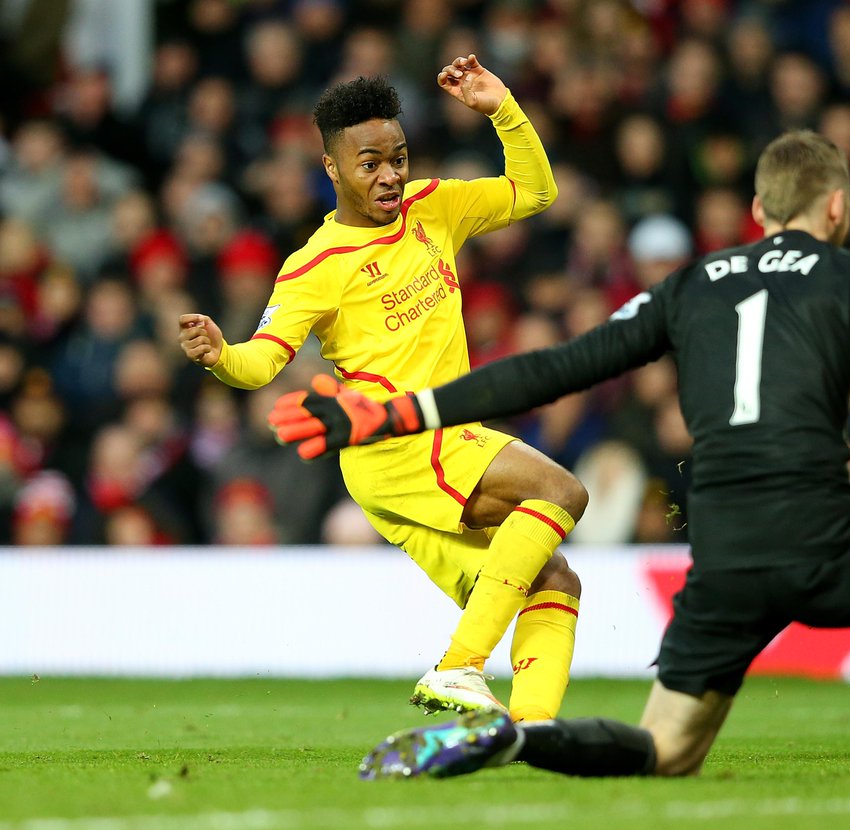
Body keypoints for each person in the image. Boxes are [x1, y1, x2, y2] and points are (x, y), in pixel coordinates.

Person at [269, 130, 850, 780]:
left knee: (666, 752)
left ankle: (518, 740)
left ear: (755, 210)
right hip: (832, 541)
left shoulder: (688, 285)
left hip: (721, 565)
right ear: (837, 206)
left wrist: (395, 413)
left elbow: (555, 368)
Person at [179, 57, 588, 723]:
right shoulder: (315, 265)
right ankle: (458, 665)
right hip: (396, 441)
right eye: (369, 163)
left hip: (443, 438)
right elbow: (262, 362)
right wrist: (222, 355)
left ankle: (534, 730)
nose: (391, 175)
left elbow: (535, 192)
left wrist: (502, 109)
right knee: (562, 492)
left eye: (398, 158)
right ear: (332, 168)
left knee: (553, 579)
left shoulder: (435, 207)